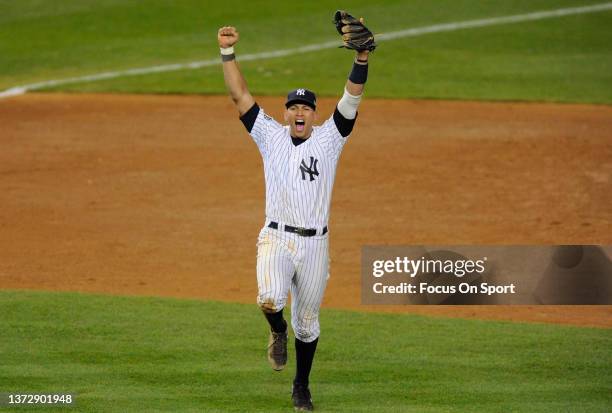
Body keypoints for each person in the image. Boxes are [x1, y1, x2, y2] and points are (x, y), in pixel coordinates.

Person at [218, 22, 370, 411]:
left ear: (313, 114)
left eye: (305, 108)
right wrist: (227, 53)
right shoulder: (269, 135)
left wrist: (362, 58)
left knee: (309, 323)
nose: (299, 112)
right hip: (276, 237)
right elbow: (240, 96)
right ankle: (276, 330)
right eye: (293, 107)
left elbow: (350, 100)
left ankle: (301, 385)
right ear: (285, 114)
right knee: (269, 297)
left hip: (316, 244)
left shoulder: (330, 139)